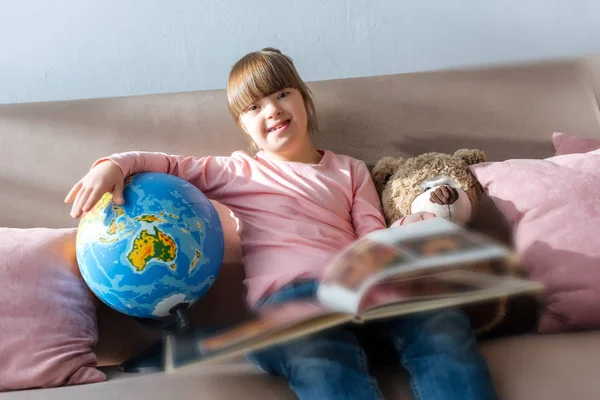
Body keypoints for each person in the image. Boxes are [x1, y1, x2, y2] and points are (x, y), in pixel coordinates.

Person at [65, 47, 499, 400]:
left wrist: (415, 222)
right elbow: (168, 163)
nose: (271, 110)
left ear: (304, 100)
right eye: (254, 106)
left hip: (359, 292)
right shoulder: (239, 171)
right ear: (244, 127)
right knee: (318, 352)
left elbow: (373, 241)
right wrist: (112, 166)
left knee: (440, 320)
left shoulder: (350, 170)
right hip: (290, 307)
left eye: (281, 95)